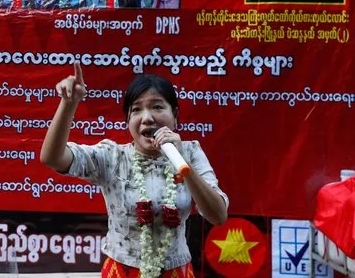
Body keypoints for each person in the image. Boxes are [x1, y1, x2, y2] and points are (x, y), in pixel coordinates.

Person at [40, 62, 228, 278]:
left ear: (175, 115)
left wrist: (182, 163)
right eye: (136, 110)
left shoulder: (190, 153)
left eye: (157, 107)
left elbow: (218, 216)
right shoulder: (113, 157)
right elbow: (52, 158)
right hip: (122, 271)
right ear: (128, 121)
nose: (147, 118)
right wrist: (68, 104)